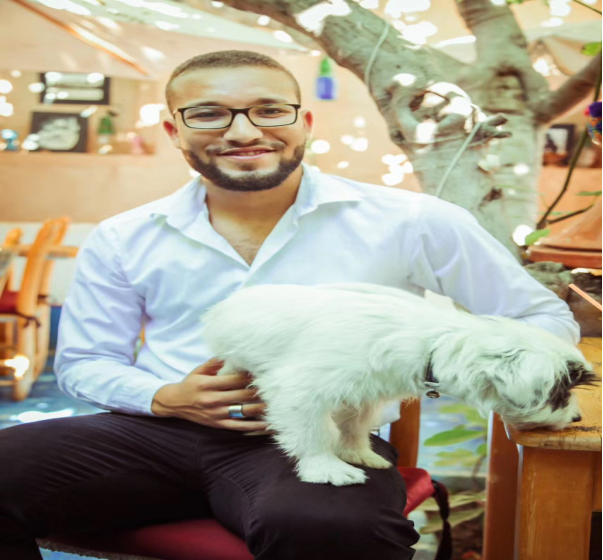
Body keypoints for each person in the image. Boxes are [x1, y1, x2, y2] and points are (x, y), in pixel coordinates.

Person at [0, 50, 579, 560]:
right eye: (208, 113)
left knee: (330, 529)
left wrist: (453, 363)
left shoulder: (413, 220)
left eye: (269, 110)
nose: (242, 131)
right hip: (155, 433)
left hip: (328, 430)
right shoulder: (124, 236)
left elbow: (542, 317)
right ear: (174, 131)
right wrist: (165, 397)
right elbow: (84, 362)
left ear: (304, 123)